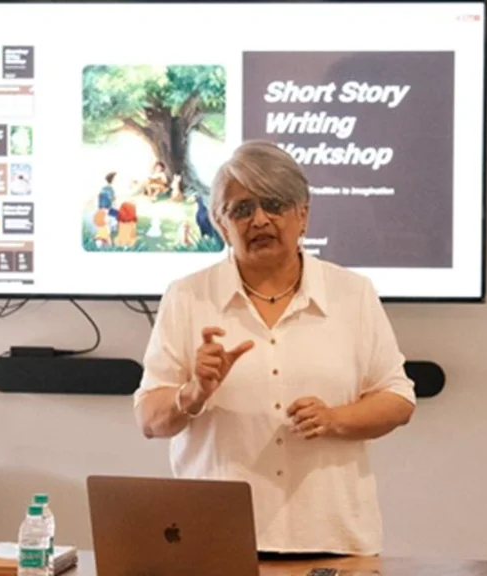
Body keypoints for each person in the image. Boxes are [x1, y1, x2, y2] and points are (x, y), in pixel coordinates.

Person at [133, 140, 416, 557]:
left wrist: (336, 419)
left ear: (303, 214)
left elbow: (398, 399)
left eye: (275, 204)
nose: (260, 219)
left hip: (333, 541)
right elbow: (149, 420)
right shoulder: (187, 297)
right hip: (215, 544)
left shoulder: (351, 294)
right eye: (241, 209)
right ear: (219, 222)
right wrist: (192, 393)